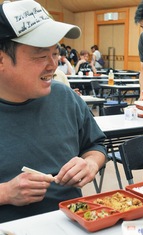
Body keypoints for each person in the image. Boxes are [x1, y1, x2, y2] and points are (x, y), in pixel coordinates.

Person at [0, 0, 107, 222]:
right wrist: (5, 193)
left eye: (55, 53)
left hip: (72, 223)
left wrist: (89, 164)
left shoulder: (65, 97)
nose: (53, 65)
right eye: (40, 55)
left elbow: (95, 146)